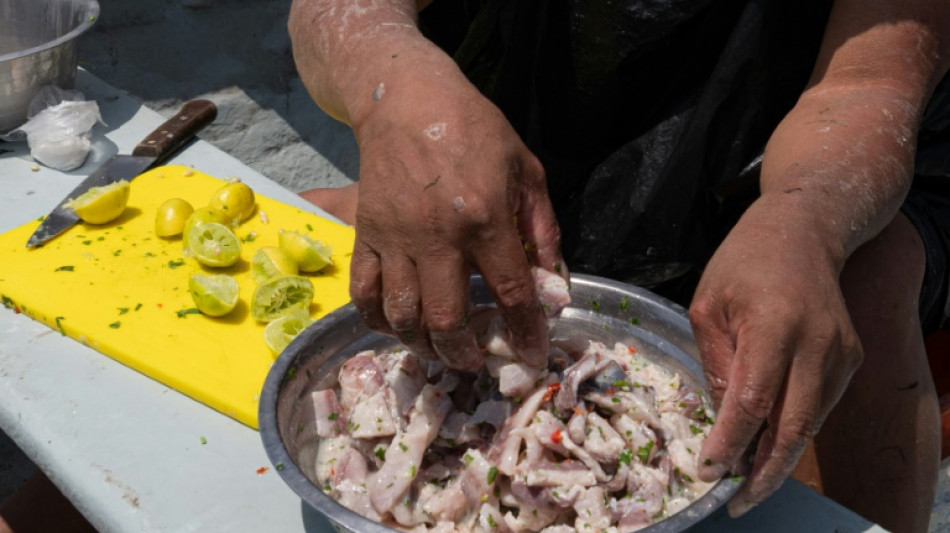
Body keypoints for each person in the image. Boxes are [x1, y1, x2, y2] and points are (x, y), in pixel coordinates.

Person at [289, 0, 950, 531]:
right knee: (327, 240)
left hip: (796, 153)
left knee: (870, 279)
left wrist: (805, 220)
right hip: (513, 131)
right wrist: (392, 91)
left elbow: (868, 82)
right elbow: (337, 12)